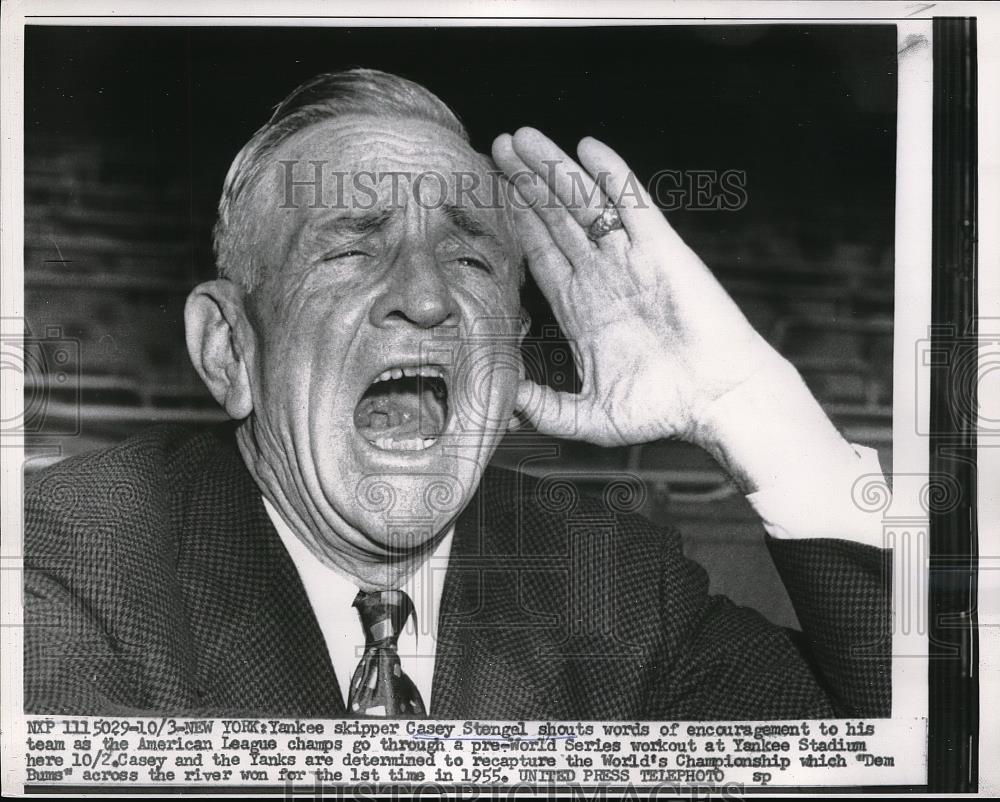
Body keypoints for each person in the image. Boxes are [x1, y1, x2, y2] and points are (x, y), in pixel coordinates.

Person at [24, 68, 891, 719]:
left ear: (510, 361)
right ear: (230, 350)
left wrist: (747, 401)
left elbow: (927, 749)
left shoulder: (613, 583)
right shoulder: (67, 560)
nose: (430, 298)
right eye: (351, 249)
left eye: (471, 259)